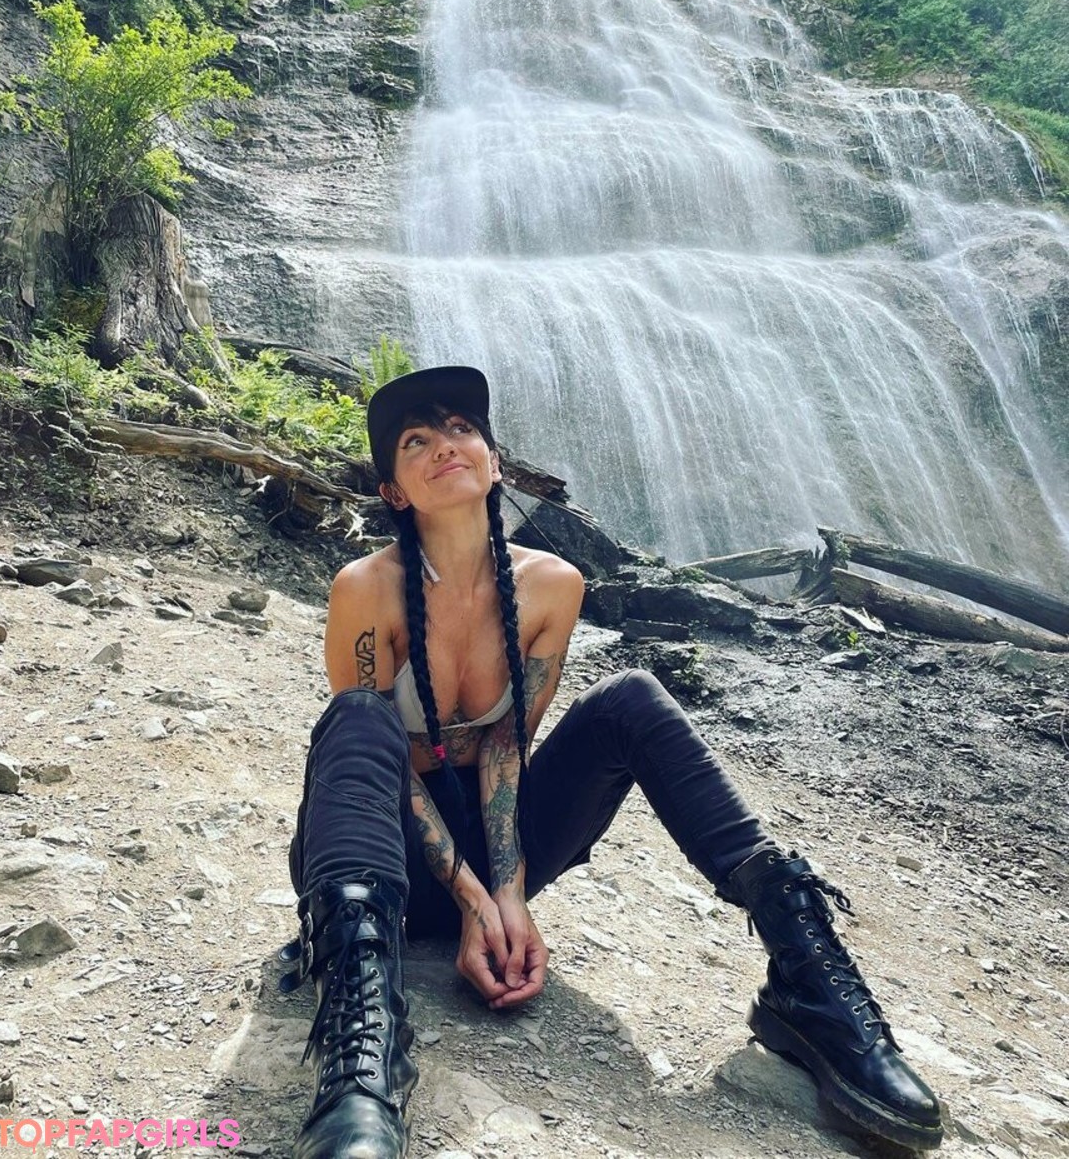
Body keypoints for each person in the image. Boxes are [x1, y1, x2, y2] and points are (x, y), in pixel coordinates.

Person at [282, 365, 943, 1159]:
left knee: (631, 697)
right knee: (357, 718)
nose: (445, 446)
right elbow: (385, 768)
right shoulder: (366, 588)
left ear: (494, 460)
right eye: (416, 441)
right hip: (376, 865)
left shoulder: (552, 585)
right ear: (394, 490)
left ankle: (810, 982)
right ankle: (360, 1063)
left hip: (492, 846)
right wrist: (471, 899)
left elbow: (505, 747)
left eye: (461, 429)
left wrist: (509, 892)